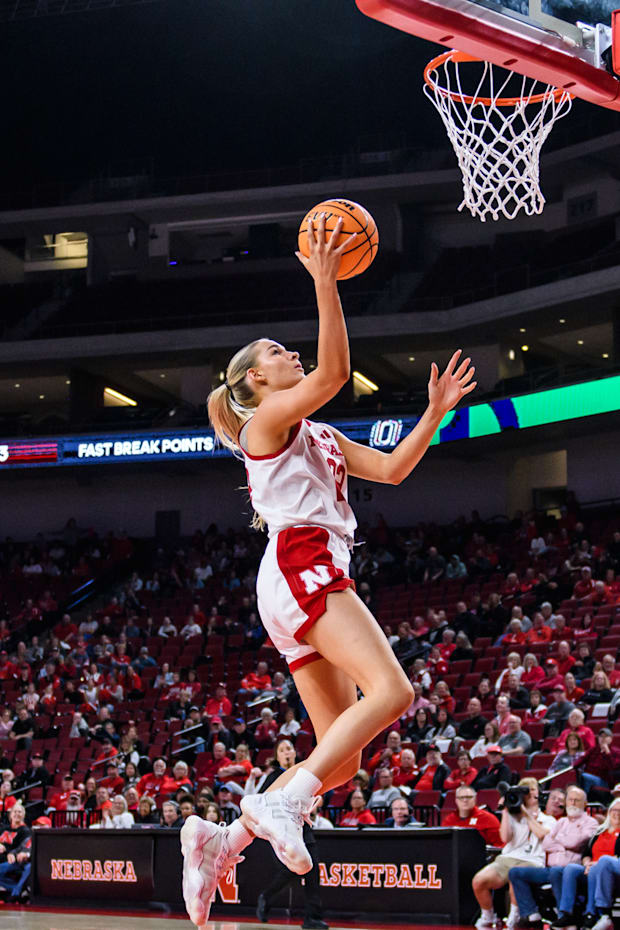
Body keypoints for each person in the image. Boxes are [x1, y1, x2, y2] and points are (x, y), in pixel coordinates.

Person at [180, 216, 477, 926]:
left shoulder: (318, 433)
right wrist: (323, 281)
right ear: (256, 378)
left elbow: (394, 470)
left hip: (297, 572)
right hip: (300, 559)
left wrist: (432, 414)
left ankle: (224, 840)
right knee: (395, 691)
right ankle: (281, 802)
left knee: (339, 761)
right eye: (279, 354)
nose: (291, 358)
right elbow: (337, 372)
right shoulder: (266, 422)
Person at [255, 740, 329, 930]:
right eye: (282, 750)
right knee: (291, 869)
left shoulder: (305, 771)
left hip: (303, 827)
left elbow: (321, 791)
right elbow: (262, 800)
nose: (287, 752)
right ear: (277, 756)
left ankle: (312, 918)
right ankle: (266, 897)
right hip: (284, 829)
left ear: (294, 752)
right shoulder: (274, 776)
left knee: (313, 872)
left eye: (289, 748)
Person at [508, 785, 597, 927]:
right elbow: (546, 844)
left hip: (570, 871)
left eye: (577, 800)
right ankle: (531, 914)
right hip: (549, 869)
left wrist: (559, 839)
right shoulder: (561, 822)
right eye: (570, 800)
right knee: (515, 872)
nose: (573, 803)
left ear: (585, 804)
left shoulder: (591, 823)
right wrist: (564, 842)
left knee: (557, 871)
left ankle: (565, 917)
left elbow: (574, 842)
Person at [472, 778, 554, 930]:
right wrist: (505, 811)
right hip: (508, 858)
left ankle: (514, 917)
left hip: (532, 861)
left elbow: (542, 834)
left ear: (538, 793)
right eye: (524, 789)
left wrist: (526, 814)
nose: (528, 792)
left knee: (515, 876)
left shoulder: (548, 819)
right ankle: (488, 915)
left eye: (532, 789)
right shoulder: (512, 816)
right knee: (479, 880)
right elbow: (505, 838)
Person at [554, 797, 620, 927]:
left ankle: (592, 913)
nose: (617, 813)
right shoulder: (600, 831)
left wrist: (597, 864)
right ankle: (567, 913)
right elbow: (586, 854)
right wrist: (586, 863)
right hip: (590, 867)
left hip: (609, 872)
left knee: (600, 865)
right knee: (571, 868)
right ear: (609, 811)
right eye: (614, 810)